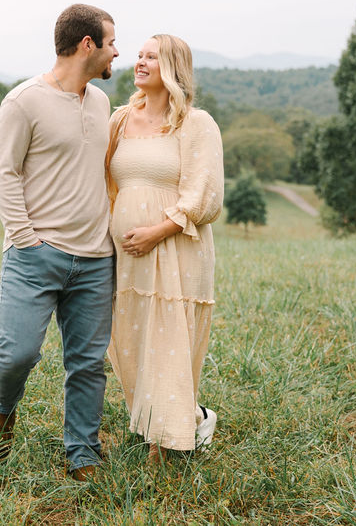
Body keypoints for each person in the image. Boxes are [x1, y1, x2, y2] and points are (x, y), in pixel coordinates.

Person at [0, 3, 118, 481]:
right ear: (88, 45)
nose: (116, 52)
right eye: (110, 42)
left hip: (96, 259)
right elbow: (5, 171)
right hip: (34, 255)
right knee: (17, 352)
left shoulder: (101, 103)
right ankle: (0, 419)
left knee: (87, 363)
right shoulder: (23, 101)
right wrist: (25, 239)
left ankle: (82, 452)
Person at [105, 33, 224, 463]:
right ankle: (188, 416)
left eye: (150, 57)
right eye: (137, 55)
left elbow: (206, 196)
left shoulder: (196, 124)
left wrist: (156, 230)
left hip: (176, 247)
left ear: (172, 68)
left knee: (168, 336)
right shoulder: (119, 119)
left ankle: (164, 446)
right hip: (125, 254)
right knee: (132, 339)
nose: (139, 62)